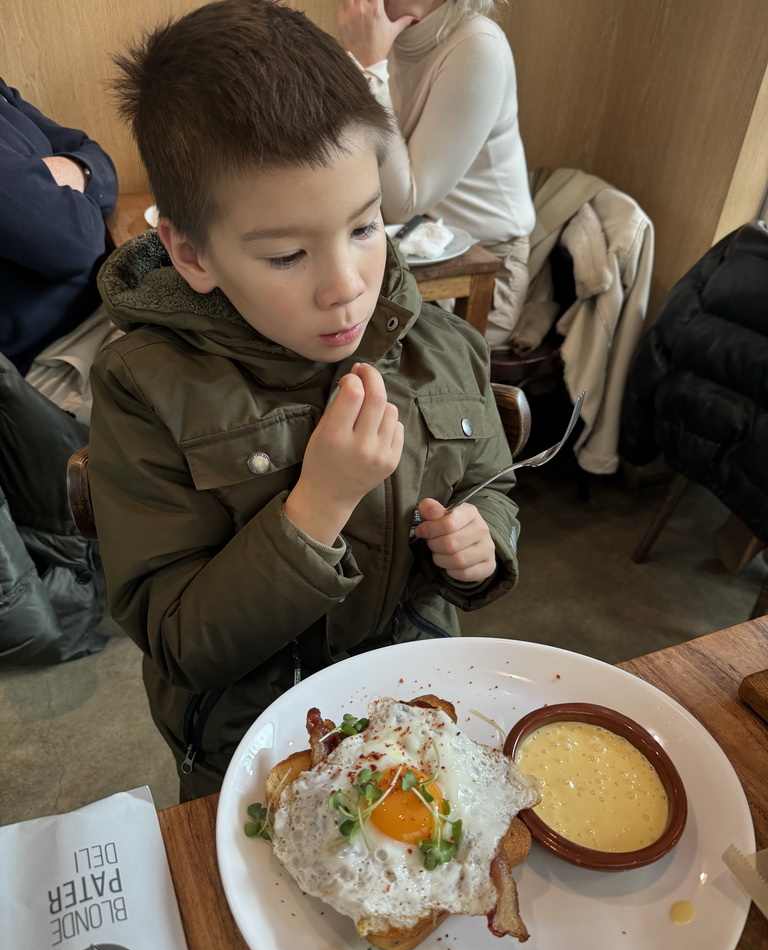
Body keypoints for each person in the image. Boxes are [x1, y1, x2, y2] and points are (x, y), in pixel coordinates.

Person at [90, 0, 521, 799]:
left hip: (414, 706)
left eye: (365, 228)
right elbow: (182, 641)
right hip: (251, 746)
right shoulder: (145, 389)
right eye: (288, 254)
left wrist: (480, 542)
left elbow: (490, 484)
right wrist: (317, 504)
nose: (346, 288)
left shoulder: (438, 345)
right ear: (191, 252)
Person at [337, 0, 536, 349]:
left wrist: (368, 69)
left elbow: (405, 203)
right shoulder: (381, 35)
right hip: (401, 258)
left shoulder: (479, 46)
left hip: (480, 274)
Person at [0, 78, 120, 423]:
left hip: (106, 300)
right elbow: (77, 242)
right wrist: (58, 173)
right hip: (49, 358)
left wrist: (64, 171)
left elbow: (94, 157)